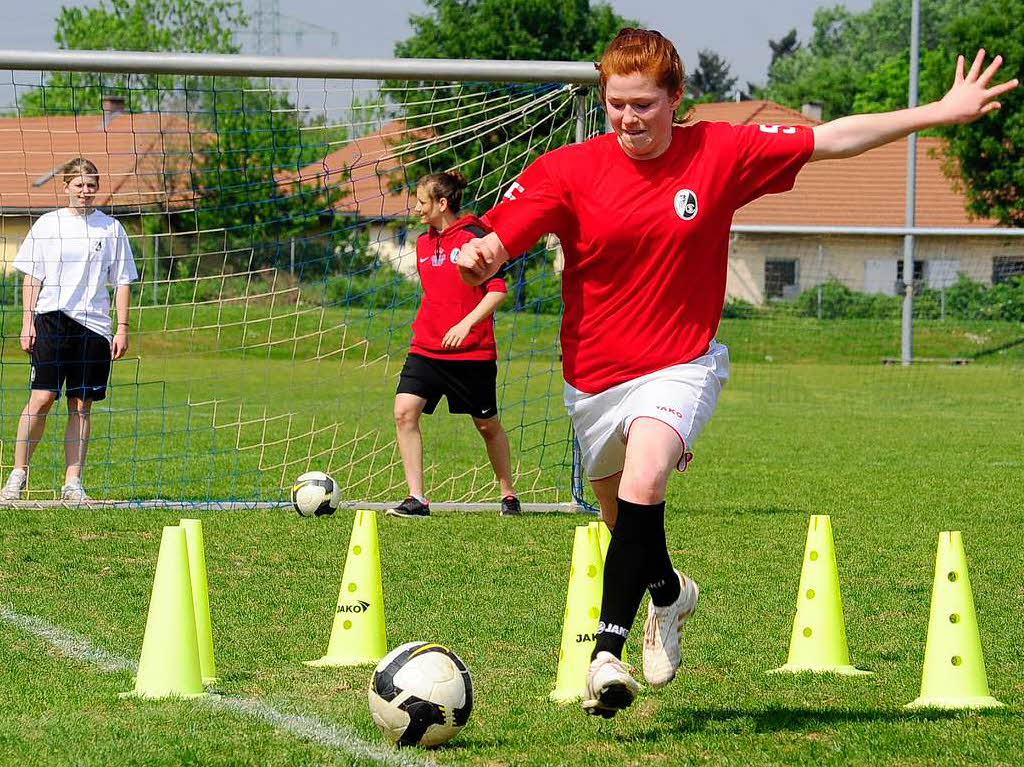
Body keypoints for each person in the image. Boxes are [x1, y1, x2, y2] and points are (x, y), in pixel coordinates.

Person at [458, 29, 1017, 716]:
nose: (629, 120)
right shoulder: (569, 168)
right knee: (627, 525)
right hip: (593, 377)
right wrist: (484, 251)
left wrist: (937, 111)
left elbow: (834, 138)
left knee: (648, 473)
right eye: (616, 105)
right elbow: (505, 229)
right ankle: (670, 593)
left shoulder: (720, 151)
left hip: (680, 362)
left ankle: (606, 652)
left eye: (643, 105)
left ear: (676, 99)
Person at [1, 157, 138, 503]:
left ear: (97, 189)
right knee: (42, 398)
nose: (85, 192)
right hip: (51, 320)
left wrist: (121, 328)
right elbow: (33, 278)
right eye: (79, 186)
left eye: (91, 186)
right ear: (66, 188)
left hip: (94, 328)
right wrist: (27, 320)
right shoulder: (48, 225)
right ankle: (17, 476)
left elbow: (122, 282)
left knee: (81, 405)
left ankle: (72, 483)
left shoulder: (111, 229)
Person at [386, 170, 521, 519]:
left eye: (421, 202)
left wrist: (466, 323)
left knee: (486, 426)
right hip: (426, 349)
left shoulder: (477, 238)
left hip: (472, 354)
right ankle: (417, 498)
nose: (416, 208)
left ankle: (508, 495)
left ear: (442, 203)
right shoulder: (421, 243)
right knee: (404, 412)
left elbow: (498, 291)